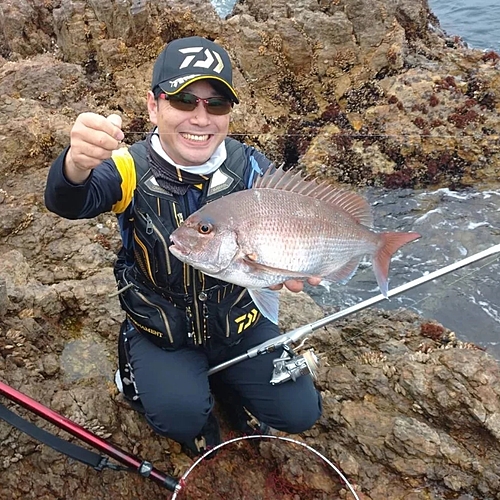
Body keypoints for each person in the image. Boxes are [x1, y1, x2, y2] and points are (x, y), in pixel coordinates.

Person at [44, 36, 322, 456]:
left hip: (238, 323)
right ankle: (139, 371)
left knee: (300, 411)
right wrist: (75, 164)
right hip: (161, 328)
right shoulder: (127, 166)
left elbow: (296, 226)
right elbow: (69, 201)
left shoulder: (251, 168)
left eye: (216, 104)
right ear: (154, 106)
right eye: (183, 100)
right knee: (179, 417)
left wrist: (292, 266)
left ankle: (224, 377)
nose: (200, 117)